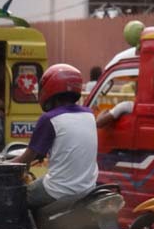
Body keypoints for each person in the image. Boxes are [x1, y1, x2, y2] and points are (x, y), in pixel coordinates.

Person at [13, 64, 98, 210]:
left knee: (17, 196)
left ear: (48, 89)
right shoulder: (89, 114)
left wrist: (3, 164)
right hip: (88, 189)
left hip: (58, 190)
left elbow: (25, 160)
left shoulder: (50, 118)